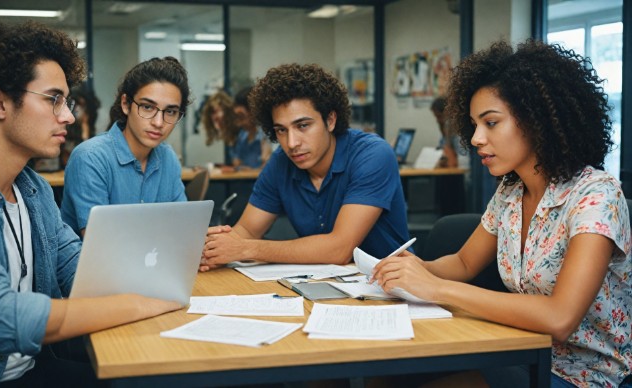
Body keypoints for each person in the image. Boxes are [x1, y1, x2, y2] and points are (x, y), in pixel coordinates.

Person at [372, 39, 631, 387]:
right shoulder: (510, 192)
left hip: (581, 375)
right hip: (516, 349)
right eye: (474, 125)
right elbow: (464, 264)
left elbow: (560, 317)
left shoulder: (596, 194)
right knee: (389, 373)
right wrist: (413, 270)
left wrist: (436, 289)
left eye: (491, 123)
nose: (476, 138)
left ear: (537, 120)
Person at [0, 17, 181, 387]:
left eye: (67, 101)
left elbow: (81, 271)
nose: (68, 116)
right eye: (54, 99)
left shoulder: (33, 189)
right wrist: (137, 304)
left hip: (34, 370)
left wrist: (156, 286)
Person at [201, 63, 410, 270]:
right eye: (281, 130)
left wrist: (247, 249)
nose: (292, 143)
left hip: (388, 288)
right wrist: (212, 250)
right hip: (321, 284)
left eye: (303, 126)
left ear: (330, 120)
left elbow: (339, 249)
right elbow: (246, 230)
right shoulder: (281, 163)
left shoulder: (372, 154)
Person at [60, 57, 189, 236]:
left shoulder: (168, 158)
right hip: (97, 263)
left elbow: (182, 230)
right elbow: (102, 243)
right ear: (126, 104)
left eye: (170, 112)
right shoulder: (90, 157)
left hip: (156, 262)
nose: (159, 122)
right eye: (147, 107)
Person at [231, 86, 272, 169]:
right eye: (237, 117)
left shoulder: (267, 136)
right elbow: (237, 163)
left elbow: (268, 169)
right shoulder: (242, 136)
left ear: (254, 113)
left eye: (241, 117)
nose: (239, 123)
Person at [60, 86, 101, 168]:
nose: (78, 109)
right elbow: (66, 160)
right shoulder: (65, 126)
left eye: (82, 105)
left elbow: (90, 157)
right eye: (76, 104)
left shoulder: (89, 127)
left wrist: (85, 127)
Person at [200, 90, 240, 165]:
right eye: (212, 113)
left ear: (227, 111)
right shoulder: (228, 138)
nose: (214, 117)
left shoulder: (241, 134)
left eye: (216, 111)